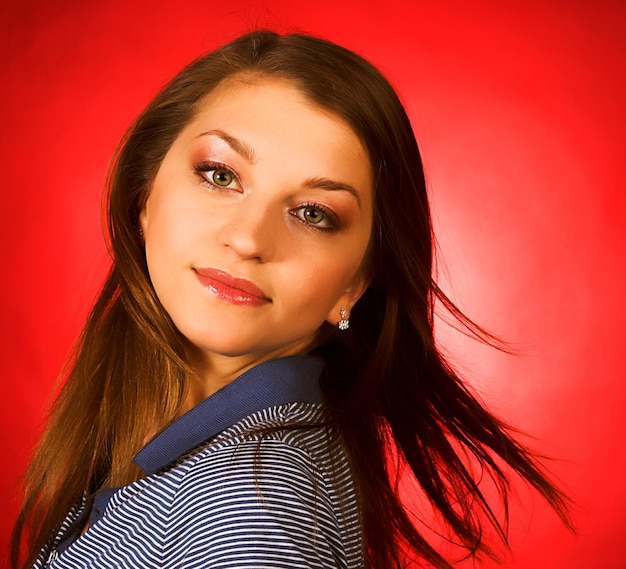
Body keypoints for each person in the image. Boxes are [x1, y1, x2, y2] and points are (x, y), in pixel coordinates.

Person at [10, 30, 572, 569]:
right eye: (219, 175)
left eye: (313, 214)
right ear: (145, 195)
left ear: (352, 285)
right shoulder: (182, 450)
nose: (249, 238)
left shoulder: (249, 513)